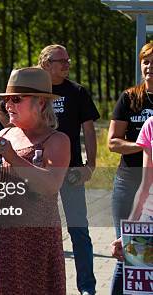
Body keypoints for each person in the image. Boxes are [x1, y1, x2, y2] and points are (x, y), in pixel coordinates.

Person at [0, 67, 69, 294]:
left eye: (16, 99)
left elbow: (51, 185)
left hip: (30, 241)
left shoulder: (56, 140)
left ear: (40, 103)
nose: (8, 105)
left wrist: (12, 157)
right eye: (6, 99)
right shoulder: (4, 134)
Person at [39, 44, 99, 295]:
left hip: (72, 170)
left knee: (79, 231)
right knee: (39, 231)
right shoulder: (32, 91)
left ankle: (87, 288)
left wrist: (90, 166)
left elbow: (89, 131)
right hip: (39, 171)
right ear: (45, 64)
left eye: (68, 60)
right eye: (60, 60)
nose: (67, 64)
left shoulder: (77, 92)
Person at [108, 41, 153, 294]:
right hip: (129, 181)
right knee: (127, 249)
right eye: (146, 62)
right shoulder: (130, 97)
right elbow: (113, 142)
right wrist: (146, 145)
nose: (150, 67)